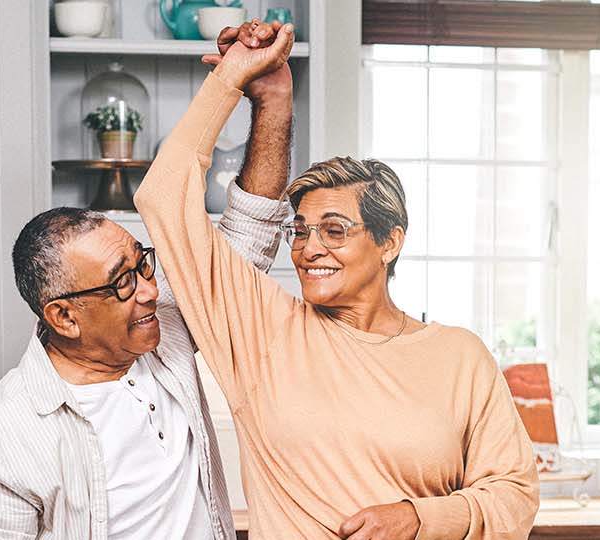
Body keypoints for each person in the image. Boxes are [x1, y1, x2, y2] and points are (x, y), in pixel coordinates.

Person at [137, 21, 539, 540]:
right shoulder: (261, 330)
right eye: (299, 231)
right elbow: (163, 197)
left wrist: (418, 517)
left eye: (334, 230)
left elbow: (514, 495)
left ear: (389, 242)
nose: (309, 249)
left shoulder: (461, 357)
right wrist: (233, 80)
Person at [0, 23, 299, 539]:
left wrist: (272, 100)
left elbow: (246, 237)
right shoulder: (5, 435)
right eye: (120, 283)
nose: (149, 289)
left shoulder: (161, 328)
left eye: (143, 263)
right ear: (63, 316)